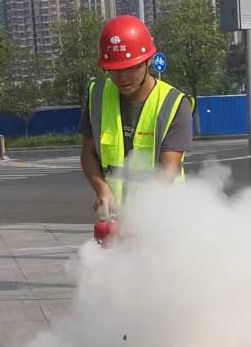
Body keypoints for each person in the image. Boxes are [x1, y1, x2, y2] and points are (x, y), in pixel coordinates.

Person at [80, 15, 191, 218]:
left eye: (131, 68)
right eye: (114, 70)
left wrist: (140, 217)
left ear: (148, 61)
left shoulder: (174, 104)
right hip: (115, 218)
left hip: (164, 219)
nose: (122, 78)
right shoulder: (97, 97)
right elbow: (88, 153)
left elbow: (169, 170)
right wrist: (102, 190)